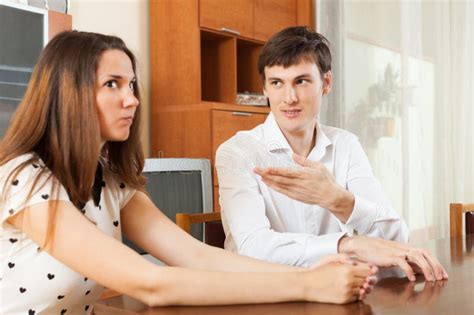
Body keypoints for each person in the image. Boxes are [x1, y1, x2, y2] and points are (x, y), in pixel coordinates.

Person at [0, 31, 379, 314]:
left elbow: (197, 256)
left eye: (131, 83)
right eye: (112, 84)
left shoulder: (111, 181)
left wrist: (312, 271)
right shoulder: (26, 177)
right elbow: (148, 283)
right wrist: (307, 284)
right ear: (69, 93)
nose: (131, 98)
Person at [215, 26, 448, 282]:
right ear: (265, 89)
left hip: (339, 293)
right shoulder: (237, 152)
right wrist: (347, 244)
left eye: (301, 81)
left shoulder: (346, 145)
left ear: (326, 83)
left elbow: (395, 240)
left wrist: (338, 200)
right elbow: (254, 249)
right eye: (277, 83)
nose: (289, 98)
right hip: (264, 296)